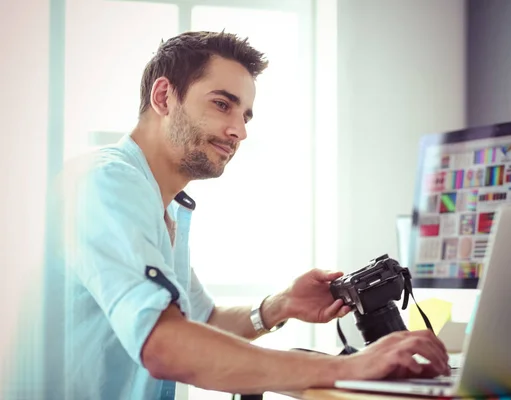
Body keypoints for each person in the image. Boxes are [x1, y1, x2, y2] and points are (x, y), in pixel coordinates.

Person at [44, 31, 450, 400]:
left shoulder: (162, 205)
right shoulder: (107, 183)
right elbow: (166, 342)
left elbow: (202, 321)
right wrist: (347, 367)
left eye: (246, 116)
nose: (239, 130)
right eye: (223, 104)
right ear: (164, 97)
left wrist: (281, 305)